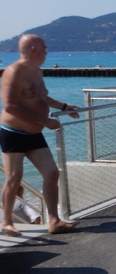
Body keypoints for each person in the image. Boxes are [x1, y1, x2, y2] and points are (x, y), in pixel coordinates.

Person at [1, 34, 81, 236]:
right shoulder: (13, 72)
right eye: (44, 47)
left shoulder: (37, 71)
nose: (47, 51)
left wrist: (64, 106)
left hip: (34, 134)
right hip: (13, 133)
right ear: (34, 50)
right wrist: (45, 121)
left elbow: (41, 97)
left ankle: (54, 220)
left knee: (52, 173)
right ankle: (7, 222)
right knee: (14, 178)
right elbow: (10, 106)